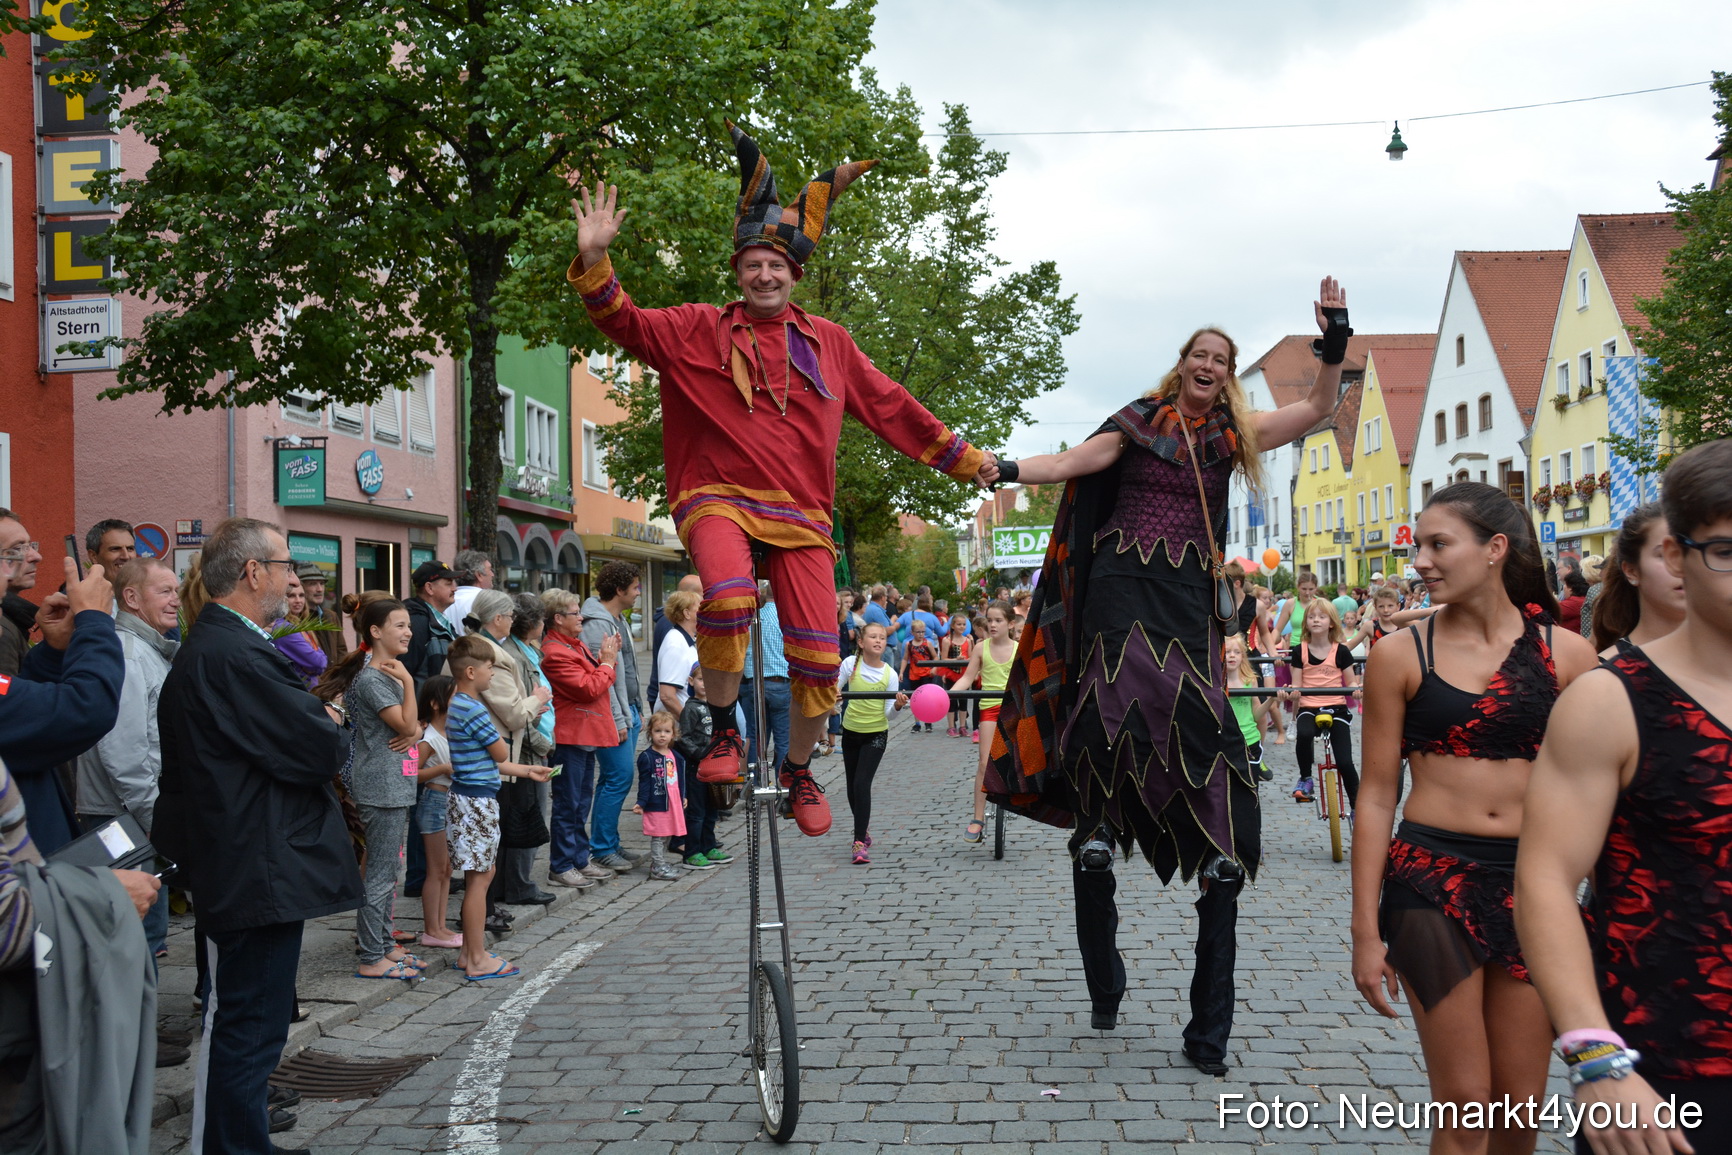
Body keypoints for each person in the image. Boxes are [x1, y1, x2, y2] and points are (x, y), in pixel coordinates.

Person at [566, 129, 993, 841]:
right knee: (730, 599)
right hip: (716, 495)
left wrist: (964, 458)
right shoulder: (697, 328)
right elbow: (626, 324)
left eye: (776, 266)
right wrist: (594, 259)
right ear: (739, 270)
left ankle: (797, 768)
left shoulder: (830, 342)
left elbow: (891, 406)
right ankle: (726, 731)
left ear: (794, 274)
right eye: (753, 265)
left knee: (821, 656)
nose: (764, 276)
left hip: (801, 513)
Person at [983, 282, 1353, 1071]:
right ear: (1182, 363)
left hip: (1186, 598)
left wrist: (1335, 340)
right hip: (1120, 589)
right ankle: (1100, 849)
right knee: (1109, 706)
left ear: (1226, 374)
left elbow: (1320, 406)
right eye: (1200, 354)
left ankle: (1211, 872)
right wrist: (1003, 465)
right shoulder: (1137, 424)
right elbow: (1072, 462)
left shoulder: (1231, 435)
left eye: (1222, 358)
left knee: (1198, 724)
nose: (1210, 365)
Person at [1350, 484, 1597, 1154]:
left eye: (1439, 544)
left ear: (1495, 549)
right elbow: (1376, 796)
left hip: (1534, 887)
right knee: (1464, 1109)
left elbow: (1596, 792)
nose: (1421, 561)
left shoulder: (1569, 655)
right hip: (1430, 881)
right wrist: (1365, 930)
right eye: (1419, 545)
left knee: (1519, 1113)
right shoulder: (1400, 655)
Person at [1516, 440, 1732, 1154]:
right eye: (1727, 551)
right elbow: (1546, 879)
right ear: (1675, 555)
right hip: (1672, 1073)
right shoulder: (1612, 701)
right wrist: (1594, 1054)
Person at [155, 517, 363, 1153]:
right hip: (256, 858)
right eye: (285, 565)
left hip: (250, 853)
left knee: (256, 1020)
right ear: (253, 572)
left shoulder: (225, 646)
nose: (291, 577)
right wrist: (330, 719)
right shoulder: (235, 653)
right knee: (250, 1023)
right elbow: (315, 748)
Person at [73, 557, 178, 966]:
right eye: (164, 591)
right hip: (122, 816)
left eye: (176, 590)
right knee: (135, 936)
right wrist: (155, 816)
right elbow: (123, 752)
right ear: (132, 598)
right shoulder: (129, 654)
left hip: (131, 812)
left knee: (145, 933)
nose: (175, 600)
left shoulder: (147, 649)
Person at [314, 596, 424, 980]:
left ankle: (383, 945)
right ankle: (372, 955)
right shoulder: (375, 678)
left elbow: (413, 727)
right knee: (379, 874)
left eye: (409, 625)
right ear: (375, 632)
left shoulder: (385, 675)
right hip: (381, 784)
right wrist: (409, 683)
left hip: (393, 782)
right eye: (400, 625)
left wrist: (413, 729)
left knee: (388, 869)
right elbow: (408, 725)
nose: (408, 632)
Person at [442, 634, 551, 981]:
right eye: (490, 668)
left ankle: (468, 952)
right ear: (471, 672)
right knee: (480, 879)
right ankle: (477, 958)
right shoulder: (473, 708)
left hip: (469, 796)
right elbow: (500, 752)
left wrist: (527, 770)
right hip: (476, 802)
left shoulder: (458, 704)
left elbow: (492, 762)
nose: (493, 673)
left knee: (479, 875)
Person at [0, 554, 122, 855]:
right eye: (8, 556)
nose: (5, 578)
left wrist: (53, 653)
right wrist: (95, 620)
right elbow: (87, 708)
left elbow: (24, 719)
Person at [452, 590, 554, 906]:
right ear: (497, 618)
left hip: (493, 764)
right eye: (509, 616)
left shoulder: (482, 648)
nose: (512, 621)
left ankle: (493, 901)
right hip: (488, 764)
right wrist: (536, 699)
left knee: (491, 849)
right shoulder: (486, 653)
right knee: (488, 854)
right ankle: (491, 905)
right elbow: (511, 713)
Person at [539, 588, 620, 891]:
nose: (581, 617)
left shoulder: (571, 644)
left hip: (583, 734)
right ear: (558, 618)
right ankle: (561, 865)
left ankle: (579, 858)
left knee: (581, 800)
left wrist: (606, 661)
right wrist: (607, 663)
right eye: (575, 612)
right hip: (569, 737)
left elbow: (594, 680)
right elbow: (588, 688)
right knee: (568, 802)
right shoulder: (555, 652)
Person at [580, 562, 643, 874]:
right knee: (618, 777)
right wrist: (618, 719)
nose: (638, 593)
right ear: (619, 590)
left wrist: (636, 708)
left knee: (615, 778)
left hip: (628, 709)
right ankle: (602, 847)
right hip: (613, 715)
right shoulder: (597, 625)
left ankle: (610, 842)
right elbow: (604, 678)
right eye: (634, 587)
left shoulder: (618, 619)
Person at [834, 621, 908, 865]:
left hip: (875, 734)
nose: (878, 641)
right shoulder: (850, 664)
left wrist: (898, 706)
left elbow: (889, 715)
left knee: (861, 783)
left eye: (882, 638)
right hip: (851, 732)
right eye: (873, 637)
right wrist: (835, 697)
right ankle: (862, 828)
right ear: (861, 642)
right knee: (851, 787)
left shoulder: (889, 674)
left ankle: (858, 842)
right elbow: (834, 688)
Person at [1282, 598, 1360, 806]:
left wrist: (1355, 690)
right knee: (1304, 733)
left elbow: (1351, 680)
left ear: (1331, 623)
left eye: (1321, 617)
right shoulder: (1299, 651)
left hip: (1336, 707)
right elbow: (1296, 683)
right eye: (1311, 617)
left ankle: (1357, 805)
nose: (1316, 620)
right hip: (1309, 706)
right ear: (1306, 622)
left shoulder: (1341, 651)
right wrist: (1292, 692)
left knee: (1344, 761)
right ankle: (1305, 778)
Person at [949, 601, 1013, 844]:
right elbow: (967, 678)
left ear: (1010, 624)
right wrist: (949, 695)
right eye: (990, 620)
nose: (993, 625)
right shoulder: (980, 647)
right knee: (984, 762)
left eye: (998, 620)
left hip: (1012, 709)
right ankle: (977, 817)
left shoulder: (1019, 649)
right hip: (989, 708)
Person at [1589, 503, 1686, 654]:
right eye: (1665, 555)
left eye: (1692, 553)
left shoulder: (1720, 655)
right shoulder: (1611, 667)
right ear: (1631, 571)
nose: (1683, 566)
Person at [413, 675, 462, 948]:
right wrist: (442, 769)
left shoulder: (449, 733)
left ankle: (441, 926)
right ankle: (432, 929)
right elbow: (412, 773)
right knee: (436, 870)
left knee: (446, 869)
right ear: (435, 703)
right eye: (453, 697)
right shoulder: (428, 738)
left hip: (450, 801)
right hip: (435, 801)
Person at [739, 579, 792, 777]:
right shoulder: (785, 619)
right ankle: (783, 781)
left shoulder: (753, 619)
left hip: (754, 683)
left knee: (755, 737)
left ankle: (754, 781)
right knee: (783, 739)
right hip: (780, 683)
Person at [632, 711, 687, 881]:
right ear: (650, 732)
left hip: (673, 801)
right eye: (658, 731)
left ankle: (661, 862)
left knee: (667, 834)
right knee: (658, 835)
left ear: (673, 734)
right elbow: (644, 782)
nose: (662, 735)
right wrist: (641, 802)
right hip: (657, 801)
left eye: (667, 731)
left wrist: (683, 796)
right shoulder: (647, 757)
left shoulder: (676, 756)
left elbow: (680, 779)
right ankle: (657, 866)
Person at [648, 573, 703, 716]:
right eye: (699, 609)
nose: (704, 614)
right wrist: (688, 723)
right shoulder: (675, 643)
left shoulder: (685, 640)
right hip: (677, 724)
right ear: (687, 613)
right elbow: (667, 696)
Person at [1222, 634, 1272, 784]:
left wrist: (1272, 700)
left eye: (1237, 652)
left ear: (1242, 656)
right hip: (1225, 741)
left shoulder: (1250, 679)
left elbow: (1256, 714)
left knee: (1251, 786)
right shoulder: (1216, 681)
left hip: (1250, 740)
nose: (1232, 656)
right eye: (1228, 652)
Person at [0, 513, 44, 675]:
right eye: (18, 549)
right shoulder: (3, 633)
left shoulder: (12, 620)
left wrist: (54, 647)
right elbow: (9, 690)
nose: (37, 556)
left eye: (30, 546)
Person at [404, 559, 458, 686]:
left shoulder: (437, 621)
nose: (454, 589)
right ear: (429, 588)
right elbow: (406, 671)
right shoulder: (416, 623)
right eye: (448, 584)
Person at [271, 569, 328, 689]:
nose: (298, 601)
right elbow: (318, 663)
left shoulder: (298, 624)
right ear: (281, 598)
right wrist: (320, 655)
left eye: (301, 595)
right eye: (291, 596)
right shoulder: (284, 628)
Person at [297, 564, 348, 665]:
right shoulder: (295, 619)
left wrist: (339, 672)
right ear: (300, 588)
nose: (319, 589)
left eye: (322, 583)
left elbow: (341, 650)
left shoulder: (331, 616)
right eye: (313, 584)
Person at [899, 619, 940, 734]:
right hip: (914, 674)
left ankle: (928, 721)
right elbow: (905, 659)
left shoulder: (928, 643)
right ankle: (917, 723)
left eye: (923, 632)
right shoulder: (909, 645)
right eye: (918, 632)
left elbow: (935, 657)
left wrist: (934, 667)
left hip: (926, 674)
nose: (921, 634)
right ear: (912, 632)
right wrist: (901, 672)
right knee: (915, 699)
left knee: (926, 699)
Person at [443, 549, 494, 638]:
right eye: (490, 569)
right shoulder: (489, 601)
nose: (492, 574)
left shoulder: (444, 601)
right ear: (479, 575)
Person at [939, 611, 972, 737]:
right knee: (951, 700)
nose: (961, 627)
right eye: (959, 624)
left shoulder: (967, 641)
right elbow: (943, 659)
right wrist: (956, 660)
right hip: (951, 672)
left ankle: (963, 726)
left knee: (963, 700)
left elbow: (971, 657)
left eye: (963, 624)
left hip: (964, 674)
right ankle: (951, 726)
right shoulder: (947, 640)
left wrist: (965, 660)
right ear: (952, 626)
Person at [1557, 566, 1589, 635]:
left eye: (1565, 584)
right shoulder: (1583, 599)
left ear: (1570, 588)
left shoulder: (1573, 603)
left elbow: (1552, 611)